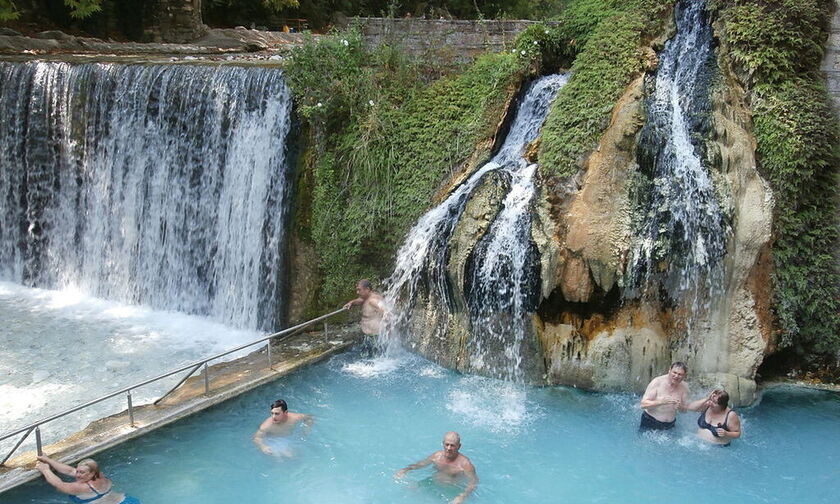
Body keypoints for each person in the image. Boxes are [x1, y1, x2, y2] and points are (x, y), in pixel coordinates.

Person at [394, 431, 478, 504]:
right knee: (408, 490)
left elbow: (473, 482)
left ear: (459, 446)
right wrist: (405, 470)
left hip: (451, 491)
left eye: (452, 445)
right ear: (443, 444)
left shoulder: (465, 464)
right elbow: (421, 464)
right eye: (447, 444)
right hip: (433, 484)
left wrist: (461, 497)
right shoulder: (437, 456)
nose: (449, 448)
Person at [35, 455, 140, 504]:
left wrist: (45, 469)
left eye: (82, 473)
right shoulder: (100, 476)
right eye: (78, 471)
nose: (78, 475)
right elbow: (70, 471)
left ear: (92, 473)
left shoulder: (82, 487)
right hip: (127, 501)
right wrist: (48, 459)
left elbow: (58, 484)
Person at [639, 361, 690, 432]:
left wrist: (680, 407)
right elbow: (643, 405)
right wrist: (660, 402)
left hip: (670, 425)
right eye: (674, 373)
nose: (676, 376)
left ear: (684, 376)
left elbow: (684, 410)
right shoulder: (657, 382)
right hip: (650, 422)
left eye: (680, 374)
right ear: (669, 371)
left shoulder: (684, 387)